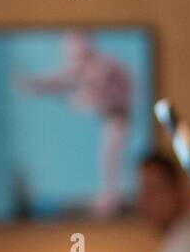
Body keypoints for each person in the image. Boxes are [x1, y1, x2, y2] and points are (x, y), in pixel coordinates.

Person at [16, 31, 133, 218]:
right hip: (111, 114)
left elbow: (90, 91)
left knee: (109, 158)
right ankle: (109, 199)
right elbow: (58, 80)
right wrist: (34, 84)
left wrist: (80, 100)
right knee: (108, 157)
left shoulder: (102, 66)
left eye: (75, 53)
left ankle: (110, 201)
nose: (70, 59)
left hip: (118, 115)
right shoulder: (83, 67)